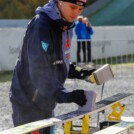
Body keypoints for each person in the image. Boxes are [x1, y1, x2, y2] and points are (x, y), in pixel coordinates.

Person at [9, 0, 96, 133]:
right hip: (27, 101)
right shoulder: (41, 25)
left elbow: (60, 62)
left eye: (80, 9)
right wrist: (66, 95)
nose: (76, 13)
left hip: (46, 99)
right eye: (73, 7)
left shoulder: (67, 25)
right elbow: (39, 72)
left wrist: (82, 72)